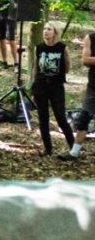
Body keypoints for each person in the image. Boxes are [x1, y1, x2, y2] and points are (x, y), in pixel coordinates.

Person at [31, 21, 75, 157]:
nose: (45, 31)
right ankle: (48, 149)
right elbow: (35, 68)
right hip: (41, 86)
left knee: (60, 117)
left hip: (56, 86)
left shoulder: (62, 48)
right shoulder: (38, 48)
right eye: (44, 29)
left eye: (49, 29)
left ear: (55, 32)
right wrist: (33, 87)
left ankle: (74, 147)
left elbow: (67, 67)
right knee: (43, 118)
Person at [64, 30, 95, 161]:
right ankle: (74, 153)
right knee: (83, 118)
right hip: (93, 87)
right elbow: (85, 59)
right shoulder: (91, 38)